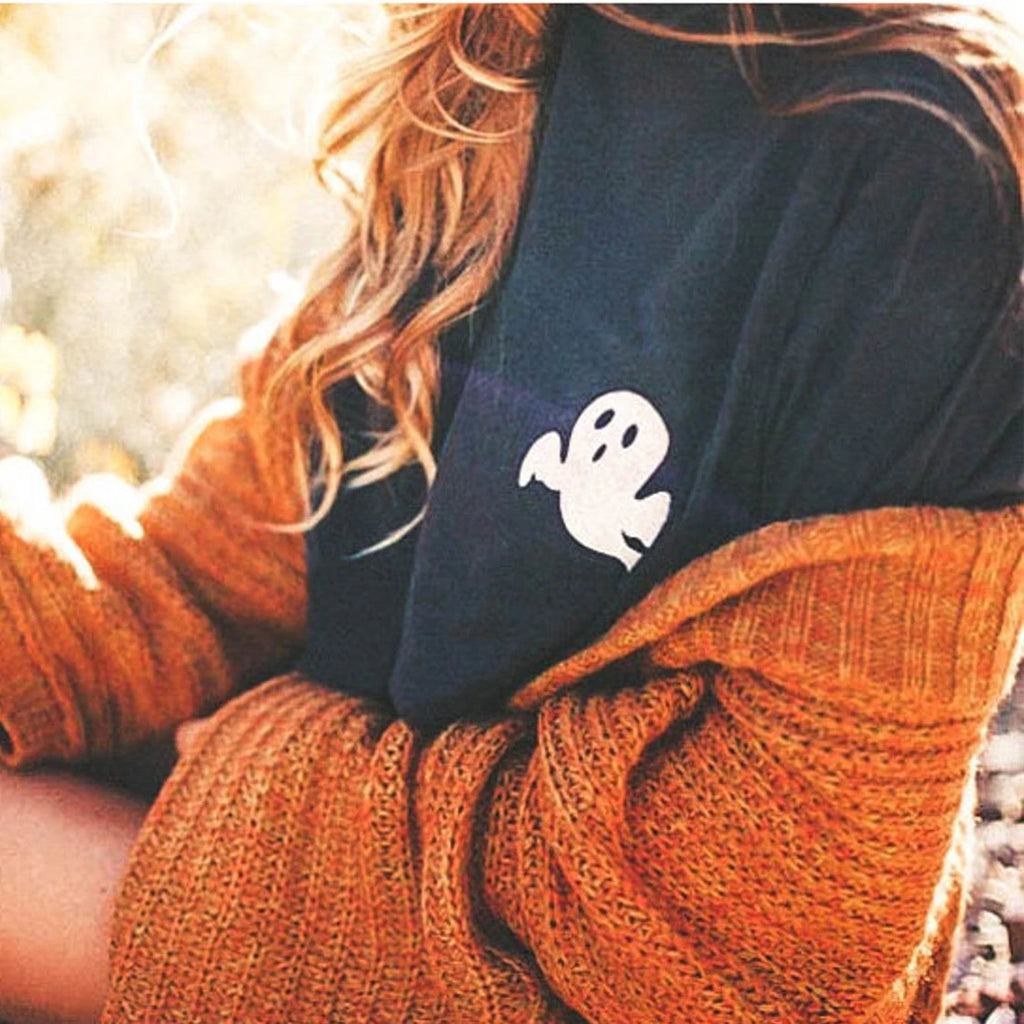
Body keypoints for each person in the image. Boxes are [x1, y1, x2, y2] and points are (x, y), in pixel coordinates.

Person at [0, 5, 1021, 1023]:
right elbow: (212, 566)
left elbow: (763, 936)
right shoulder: (483, 60)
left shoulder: (921, 162)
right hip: (306, 909)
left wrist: (268, 770)